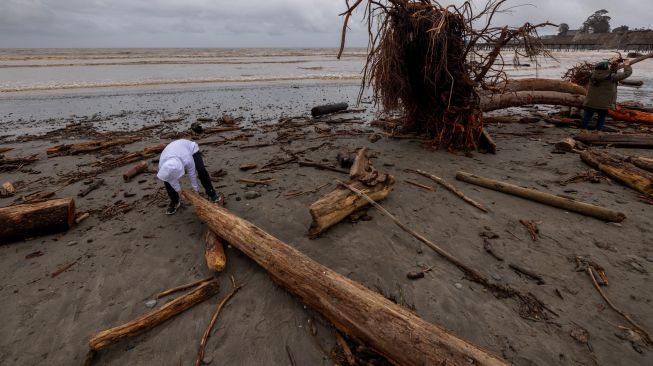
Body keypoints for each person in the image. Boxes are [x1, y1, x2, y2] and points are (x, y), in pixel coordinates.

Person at [157, 139, 222, 215]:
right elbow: (171, 179)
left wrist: (196, 191)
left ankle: (211, 193)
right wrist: (179, 192)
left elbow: (192, 174)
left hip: (191, 149)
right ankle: (175, 201)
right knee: (166, 180)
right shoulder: (162, 165)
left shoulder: (186, 159)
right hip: (172, 151)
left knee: (201, 170)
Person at [581, 58, 632, 131]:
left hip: (590, 101)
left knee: (587, 116)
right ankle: (597, 131)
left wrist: (613, 64)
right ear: (605, 69)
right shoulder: (612, 77)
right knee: (601, 117)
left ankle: (583, 130)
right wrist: (627, 65)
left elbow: (608, 72)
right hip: (603, 103)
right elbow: (627, 73)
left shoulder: (593, 74)